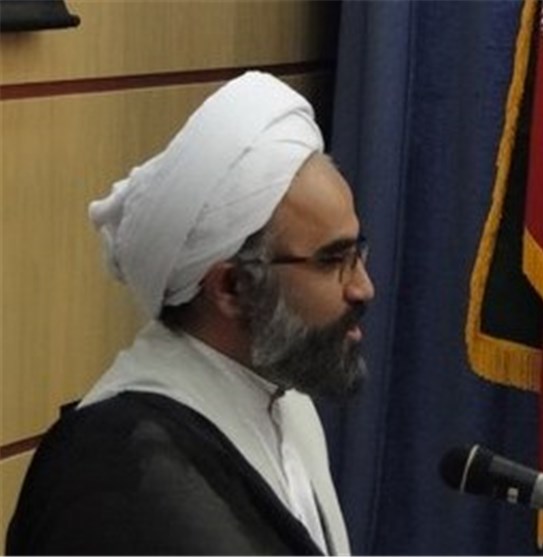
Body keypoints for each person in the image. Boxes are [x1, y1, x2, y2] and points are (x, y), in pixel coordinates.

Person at [6, 72, 374, 555]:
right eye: (333, 261)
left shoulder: (286, 404)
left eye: (357, 252)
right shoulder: (121, 469)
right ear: (231, 287)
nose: (363, 287)